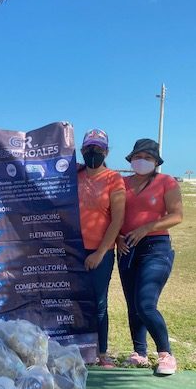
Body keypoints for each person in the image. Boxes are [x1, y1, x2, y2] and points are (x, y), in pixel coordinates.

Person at [117, 138, 183, 375]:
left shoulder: (166, 182)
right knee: (133, 304)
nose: (141, 161)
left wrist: (147, 228)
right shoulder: (121, 183)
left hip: (156, 247)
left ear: (156, 161)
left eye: (147, 157)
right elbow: (111, 216)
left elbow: (177, 216)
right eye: (137, 157)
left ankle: (166, 354)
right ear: (130, 159)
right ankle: (139, 353)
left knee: (145, 303)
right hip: (126, 248)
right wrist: (117, 238)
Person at [77, 128, 125, 368]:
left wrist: (100, 253)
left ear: (106, 151)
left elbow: (117, 220)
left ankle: (101, 352)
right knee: (74, 301)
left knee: (98, 303)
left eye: (98, 148)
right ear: (81, 150)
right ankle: (77, 350)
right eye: (88, 148)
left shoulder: (114, 179)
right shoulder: (74, 174)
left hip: (100, 253)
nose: (92, 152)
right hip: (73, 251)